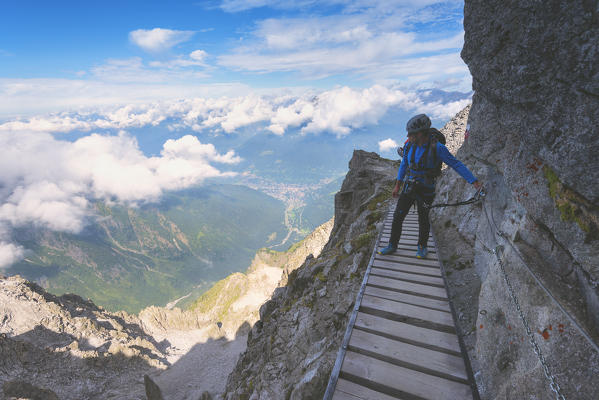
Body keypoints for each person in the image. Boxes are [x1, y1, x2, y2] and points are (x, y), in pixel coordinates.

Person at [378, 114, 482, 258]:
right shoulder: (409, 145)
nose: (408, 136)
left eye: (411, 133)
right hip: (410, 186)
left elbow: (455, 164)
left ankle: (422, 246)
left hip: (426, 188)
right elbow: (404, 165)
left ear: (420, 134)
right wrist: (397, 185)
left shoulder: (438, 148)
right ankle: (392, 245)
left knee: (423, 218)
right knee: (397, 216)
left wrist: (474, 181)